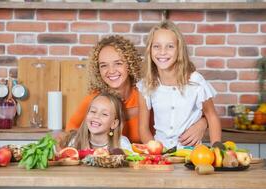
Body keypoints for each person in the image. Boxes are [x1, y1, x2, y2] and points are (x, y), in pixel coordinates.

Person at [66, 35, 207, 145]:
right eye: (103, 65)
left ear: (130, 64)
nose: (111, 71)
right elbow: (70, 131)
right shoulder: (95, 100)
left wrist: (203, 123)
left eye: (118, 63)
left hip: (151, 161)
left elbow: (181, 111)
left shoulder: (148, 91)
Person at [137, 20, 222, 149]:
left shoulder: (196, 82)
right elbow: (143, 129)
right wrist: (156, 152)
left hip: (192, 155)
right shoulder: (145, 85)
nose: (162, 52)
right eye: (156, 46)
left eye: (170, 46)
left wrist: (217, 149)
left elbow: (212, 116)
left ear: (179, 50)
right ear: (150, 50)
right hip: (161, 156)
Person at [57, 92, 132, 151]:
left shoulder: (122, 144)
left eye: (104, 114)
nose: (96, 116)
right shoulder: (75, 141)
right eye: (93, 111)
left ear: (114, 123)